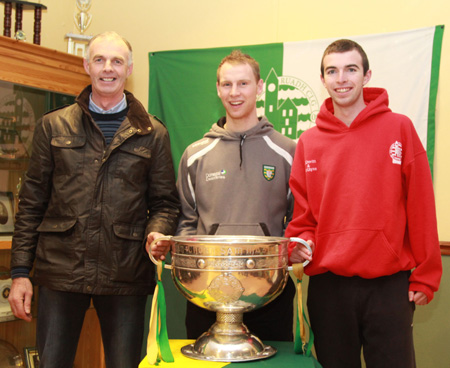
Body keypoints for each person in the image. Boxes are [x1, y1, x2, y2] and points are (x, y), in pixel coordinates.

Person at [8, 31, 180, 368]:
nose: (108, 68)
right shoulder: (51, 126)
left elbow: (165, 203)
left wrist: (157, 231)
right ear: (87, 66)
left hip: (125, 271)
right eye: (99, 60)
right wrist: (19, 273)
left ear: (129, 68)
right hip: (60, 269)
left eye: (117, 61)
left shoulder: (152, 133)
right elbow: (31, 204)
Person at [285, 39, 442, 368]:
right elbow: (305, 218)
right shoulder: (309, 142)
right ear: (323, 79)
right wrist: (300, 244)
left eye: (350, 69)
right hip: (329, 287)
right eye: (332, 71)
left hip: (389, 285)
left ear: (367, 75)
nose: (341, 78)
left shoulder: (399, 127)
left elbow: (421, 208)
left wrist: (426, 274)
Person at [152, 50, 297, 341]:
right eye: (227, 84)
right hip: (207, 293)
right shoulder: (195, 155)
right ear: (217, 89)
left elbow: (296, 221)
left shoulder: (288, 151)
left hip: (267, 292)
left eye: (243, 84)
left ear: (260, 87)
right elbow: (186, 222)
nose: (235, 93)